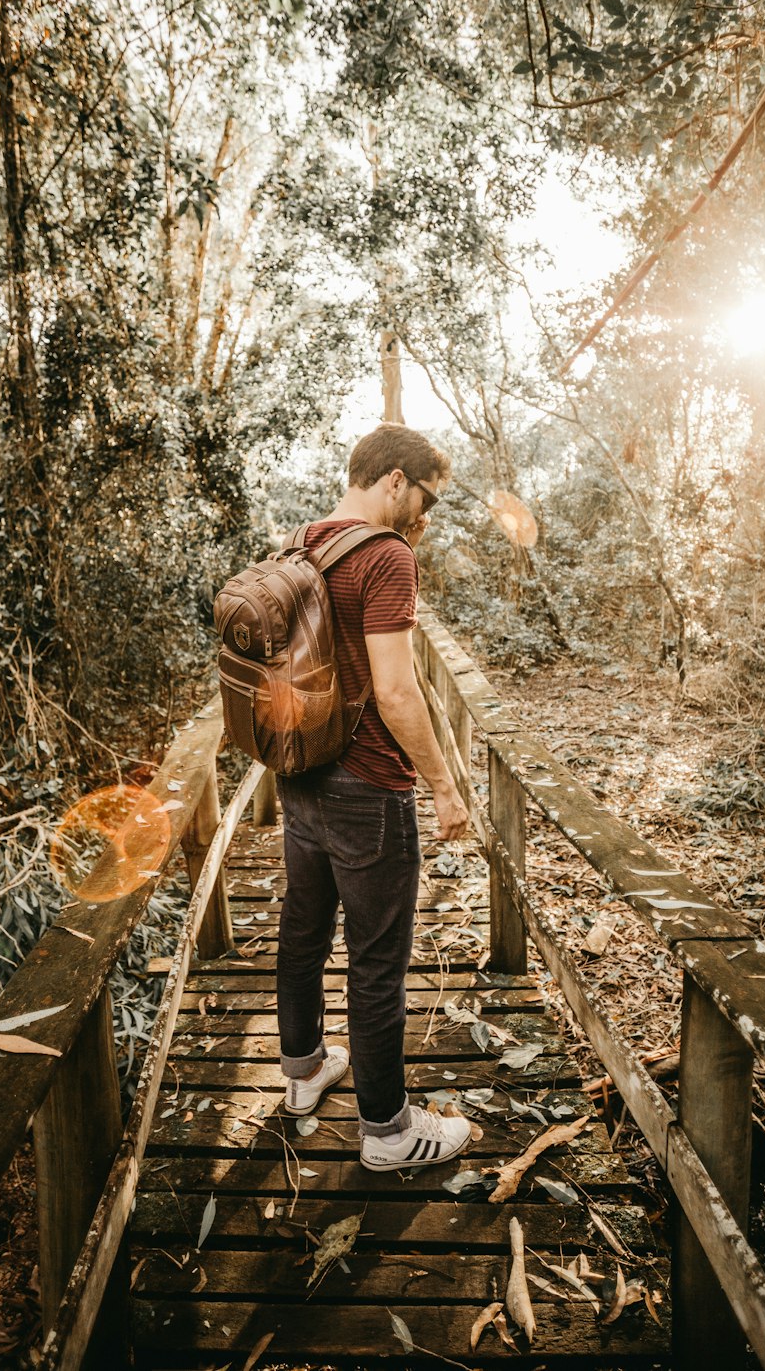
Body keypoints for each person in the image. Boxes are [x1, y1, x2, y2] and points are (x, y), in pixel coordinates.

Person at [276, 423, 473, 1170]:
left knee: (303, 931)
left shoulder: (303, 543)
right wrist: (445, 787)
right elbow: (394, 687)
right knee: (376, 960)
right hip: (368, 788)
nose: (427, 513)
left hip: (302, 775)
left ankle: (304, 1076)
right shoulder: (384, 556)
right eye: (426, 496)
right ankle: (388, 1133)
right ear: (396, 480)